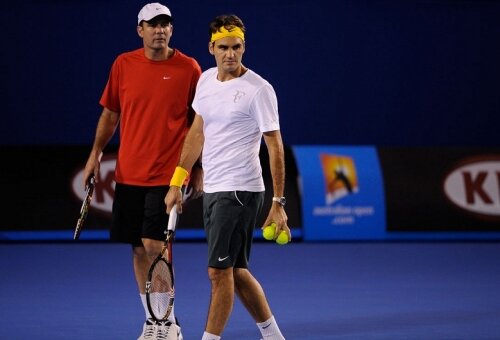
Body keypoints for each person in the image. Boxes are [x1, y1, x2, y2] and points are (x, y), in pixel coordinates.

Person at [164, 14, 289, 340]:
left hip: (240, 191)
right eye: (223, 47)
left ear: (244, 46)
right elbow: (197, 133)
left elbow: (274, 146)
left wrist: (278, 202)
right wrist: (178, 180)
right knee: (235, 269)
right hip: (214, 189)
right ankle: (274, 336)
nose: (230, 54)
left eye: (236, 47)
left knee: (218, 273)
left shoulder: (259, 90)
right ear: (211, 48)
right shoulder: (205, 81)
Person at [82, 3, 202, 339]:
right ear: (140, 30)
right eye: (152, 25)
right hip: (128, 174)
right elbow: (110, 115)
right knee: (138, 248)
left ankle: (167, 322)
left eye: (165, 25)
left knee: (155, 246)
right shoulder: (123, 64)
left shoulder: (189, 68)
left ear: (171, 30)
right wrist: (95, 154)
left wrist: (197, 169)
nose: (160, 30)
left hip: (168, 176)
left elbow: (198, 126)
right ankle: (153, 319)